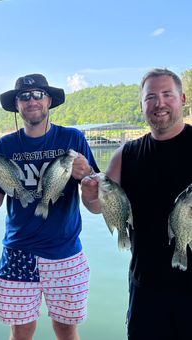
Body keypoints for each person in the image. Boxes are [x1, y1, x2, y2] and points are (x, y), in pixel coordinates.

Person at [0, 73, 99, 340]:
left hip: (65, 253)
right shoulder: (5, 145)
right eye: (24, 96)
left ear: (49, 100)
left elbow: (95, 205)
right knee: (20, 333)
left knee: (66, 331)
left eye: (38, 94)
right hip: (18, 251)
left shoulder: (73, 138)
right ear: (17, 105)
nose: (32, 101)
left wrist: (87, 179)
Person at [81, 68, 192, 340]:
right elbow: (100, 206)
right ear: (142, 105)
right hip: (146, 286)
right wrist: (89, 195)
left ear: (183, 99)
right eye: (150, 97)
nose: (159, 103)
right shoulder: (125, 154)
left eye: (167, 94)